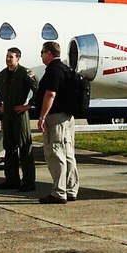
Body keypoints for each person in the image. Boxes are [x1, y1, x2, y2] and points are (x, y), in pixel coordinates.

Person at [35, 41, 79, 204]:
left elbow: (50, 95)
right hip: (68, 117)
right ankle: (71, 189)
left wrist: (42, 116)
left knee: (55, 153)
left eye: (42, 52)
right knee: (68, 153)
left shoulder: (53, 71)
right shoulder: (66, 69)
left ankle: (59, 192)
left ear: (49, 53)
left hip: (56, 118)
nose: (41, 55)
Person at [0, 47, 39, 192]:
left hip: (20, 115)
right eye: (7, 56)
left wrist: (28, 106)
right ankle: (12, 180)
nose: (8, 59)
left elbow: (38, 90)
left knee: (25, 148)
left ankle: (28, 182)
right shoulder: (3, 74)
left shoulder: (25, 73)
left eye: (11, 56)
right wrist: (1, 103)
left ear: (18, 58)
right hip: (7, 116)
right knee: (9, 148)